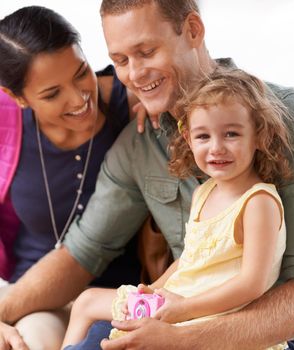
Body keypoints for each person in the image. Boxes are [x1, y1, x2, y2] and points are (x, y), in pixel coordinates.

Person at [0, 1, 294, 350]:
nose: (134, 74)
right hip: (175, 325)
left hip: (278, 339)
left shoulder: (290, 119)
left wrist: (181, 338)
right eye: (121, 61)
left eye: (146, 52)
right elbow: (82, 253)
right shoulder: (138, 146)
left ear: (193, 30)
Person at [61, 68, 294, 350]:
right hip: (180, 300)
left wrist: (184, 308)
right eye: (203, 137)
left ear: (258, 135)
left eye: (231, 134)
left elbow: (252, 284)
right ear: (187, 139)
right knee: (87, 302)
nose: (216, 148)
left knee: (112, 337)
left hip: (213, 317)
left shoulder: (258, 203)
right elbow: (189, 259)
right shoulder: (202, 192)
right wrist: (155, 288)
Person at [0, 5, 154, 350]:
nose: (79, 98)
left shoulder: (131, 105)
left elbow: (217, 82)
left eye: (81, 73)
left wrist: (163, 100)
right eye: (52, 94)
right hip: (32, 297)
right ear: (17, 97)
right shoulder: (4, 122)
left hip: (119, 297)